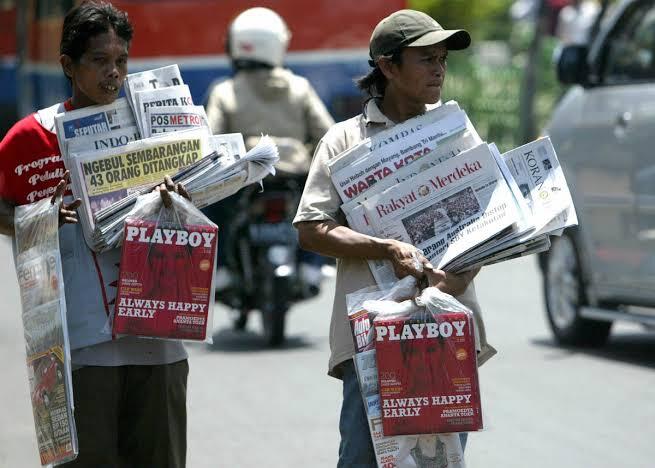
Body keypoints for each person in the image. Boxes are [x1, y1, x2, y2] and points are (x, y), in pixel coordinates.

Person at [293, 9, 497, 467]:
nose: (439, 69)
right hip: (371, 337)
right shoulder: (344, 141)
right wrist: (384, 248)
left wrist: (456, 277)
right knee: (364, 460)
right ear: (386, 66)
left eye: (442, 59)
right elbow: (311, 229)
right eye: (425, 59)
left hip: (445, 331)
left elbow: (488, 222)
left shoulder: (456, 133)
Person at [0, 2, 189, 466]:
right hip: (78, 344)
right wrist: (40, 218)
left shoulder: (155, 126)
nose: (114, 73)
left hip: (158, 339)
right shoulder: (32, 137)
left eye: (121, 60)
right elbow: (4, 208)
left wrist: (181, 196)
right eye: (99, 61)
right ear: (68, 65)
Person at [204, 7, 335, 306]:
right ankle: (312, 267)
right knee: (315, 211)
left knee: (215, 209)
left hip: (244, 180)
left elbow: (210, 139)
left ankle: (222, 270)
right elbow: (327, 133)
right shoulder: (299, 87)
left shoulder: (224, 91)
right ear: (278, 42)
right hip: (295, 174)